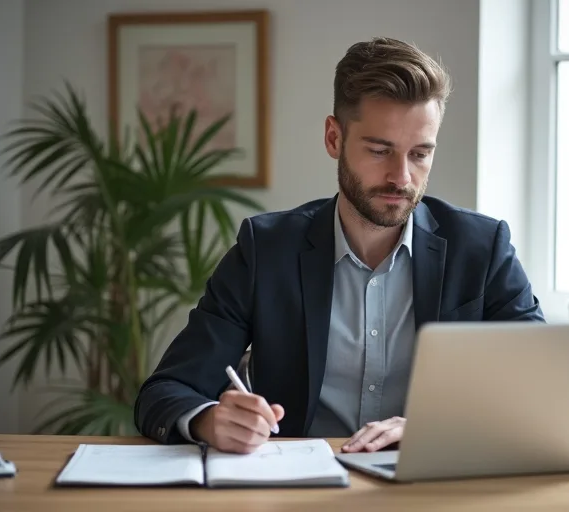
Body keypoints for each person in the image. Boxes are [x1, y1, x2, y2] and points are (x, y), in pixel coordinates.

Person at [134, 37, 544, 455]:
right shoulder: (266, 250)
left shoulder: (482, 248)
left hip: (432, 484)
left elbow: (544, 387)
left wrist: (437, 427)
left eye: (420, 154)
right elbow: (165, 392)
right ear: (334, 138)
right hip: (299, 485)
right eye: (380, 150)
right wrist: (207, 420)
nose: (401, 177)